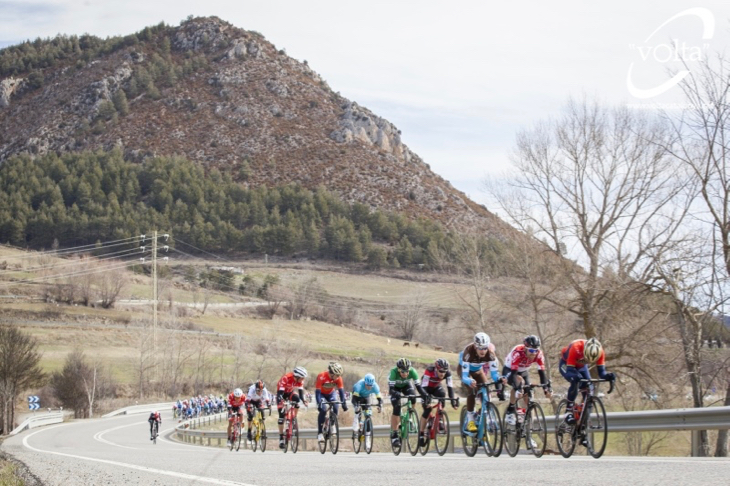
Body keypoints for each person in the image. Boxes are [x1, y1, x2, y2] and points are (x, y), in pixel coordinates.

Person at [559, 337, 615, 424]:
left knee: (590, 388)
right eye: (587, 358)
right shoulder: (576, 348)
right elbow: (570, 371)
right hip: (567, 364)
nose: (588, 361)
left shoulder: (600, 352)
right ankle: (568, 411)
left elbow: (601, 372)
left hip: (582, 367)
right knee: (575, 381)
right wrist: (576, 378)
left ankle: (583, 426)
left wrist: (608, 376)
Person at [503, 335, 552, 426]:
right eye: (531, 351)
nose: (534, 353)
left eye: (536, 350)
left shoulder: (539, 354)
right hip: (510, 370)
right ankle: (511, 408)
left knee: (528, 393)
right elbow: (514, 374)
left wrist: (546, 389)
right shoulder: (518, 352)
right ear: (525, 348)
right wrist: (517, 388)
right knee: (520, 383)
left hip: (523, 370)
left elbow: (542, 373)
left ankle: (528, 430)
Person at [459, 332, 504, 433]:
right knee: (472, 389)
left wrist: (500, 379)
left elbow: (494, 374)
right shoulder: (468, 352)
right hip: (465, 371)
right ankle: (470, 419)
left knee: (486, 387)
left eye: (485, 348)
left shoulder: (491, 354)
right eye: (480, 348)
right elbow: (464, 376)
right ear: (475, 346)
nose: (483, 351)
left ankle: (486, 414)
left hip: (478, 370)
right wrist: (469, 380)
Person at [418, 358, 458, 446]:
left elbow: (450, 388)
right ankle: (421, 434)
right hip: (425, 389)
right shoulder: (429, 371)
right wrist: (426, 399)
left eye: (444, 371)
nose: (442, 373)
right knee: (427, 410)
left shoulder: (448, 373)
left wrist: (453, 402)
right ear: (436, 368)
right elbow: (423, 387)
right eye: (440, 371)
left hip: (436, 387)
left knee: (442, 394)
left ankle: (439, 418)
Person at [388, 357, 427, 448]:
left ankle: (410, 416)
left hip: (406, 385)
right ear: (398, 370)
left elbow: (418, 387)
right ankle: (395, 434)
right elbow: (391, 389)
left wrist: (424, 394)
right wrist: (395, 393)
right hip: (395, 388)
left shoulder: (413, 371)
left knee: (413, 398)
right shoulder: (393, 372)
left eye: (407, 371)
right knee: (397, 407)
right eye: (402, 372)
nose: (405, 373)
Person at [276, 366, 309, 449]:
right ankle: (281, 437)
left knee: (297, 400)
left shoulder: (300, 380)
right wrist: (282, 401)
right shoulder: (286, 378)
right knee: (281, 417)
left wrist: (304, 400)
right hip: (281, 394)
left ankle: (293, 417)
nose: (302, 380)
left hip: (290, 393)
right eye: (302, 378)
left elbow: (301, 393)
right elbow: (280, 393)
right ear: (297, 377)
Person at [315, 362, 348, 443]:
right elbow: (318, 392)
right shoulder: (321, 376)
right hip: (321, 394)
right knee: (323, 410)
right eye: (337, 375)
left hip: (331, 393)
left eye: (339, 375)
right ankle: (320, 433)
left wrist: (343, 402)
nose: (338, 377)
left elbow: (341, 391)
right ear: (332, 373)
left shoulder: (338, 378)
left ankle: (332, 424)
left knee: (336, 405)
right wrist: (319, 403)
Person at [350, 373, 383, 438]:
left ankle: (367, 436)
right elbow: (354, 399)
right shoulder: (359, 385)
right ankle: (356, 421)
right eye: (367, 385)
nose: (369, 387)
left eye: (370, 386)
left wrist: (380, 405)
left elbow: (379, 398)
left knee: (368, 414)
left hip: (366, 397)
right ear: (365, 382)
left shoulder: (375, 386)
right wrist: (356, 406)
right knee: (357, 409)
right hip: (357, 396)